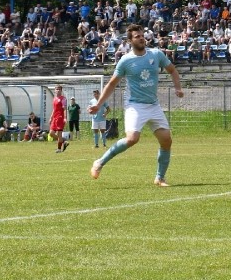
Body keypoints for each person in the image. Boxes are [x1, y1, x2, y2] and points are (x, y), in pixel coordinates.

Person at [88, 24, 185, 187]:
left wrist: (178, 88)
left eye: (142, 35)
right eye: (137, 36)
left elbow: (173, 70)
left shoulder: (156, 54)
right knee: (132, 138)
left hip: (153, 105)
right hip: (135, 106)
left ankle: (160, 178)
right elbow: (112, 84)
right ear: (130, 41)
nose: (141, 38)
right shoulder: (126, 61)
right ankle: (99, 162)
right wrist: (99, 104)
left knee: (166, 140)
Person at [48, 85, 69, 153]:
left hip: (60, 118)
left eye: (59, 89)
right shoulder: (54, 98)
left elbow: (65, 109)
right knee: (51, 133)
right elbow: (54, 109)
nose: (58, 90)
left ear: (61, 90)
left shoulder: (63, 99)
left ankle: (59, 149)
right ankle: (63, 141)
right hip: (54, 118)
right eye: (56, 89)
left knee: (59, 133)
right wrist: (51, 118)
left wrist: (65, 118)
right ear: (54, 90)